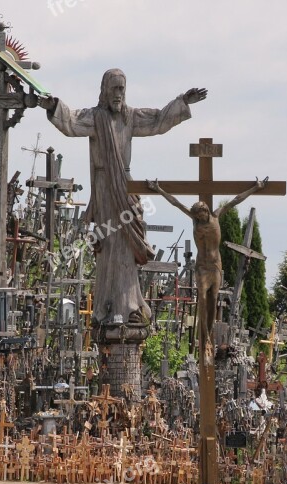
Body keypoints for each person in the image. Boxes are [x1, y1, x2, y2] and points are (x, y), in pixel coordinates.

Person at [42, 69, 207, 326]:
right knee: (110, 243)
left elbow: (158, 121)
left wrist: (182, 102)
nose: (118, 94)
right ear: (105, 90)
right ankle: (107, 303)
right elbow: (71, 122)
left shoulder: (131, 117)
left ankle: (130, 302)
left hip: (125, 185)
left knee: (127, 245)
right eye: (114, 88)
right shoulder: (96, 118)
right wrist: (53, 105)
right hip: (105, 187)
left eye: (122, 89)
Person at [146, 177, 267, 363]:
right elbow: (176, 203)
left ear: (205, 211)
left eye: (200, 216)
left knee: (213, 299)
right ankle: (204, 340)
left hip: (215, 265)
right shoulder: (195, 221)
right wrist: (158, 189)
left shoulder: (217, 215)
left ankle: (209, 334)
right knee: (201, 298)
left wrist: (255, 188)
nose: (198, 218)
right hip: (201, 266)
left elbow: (235, 200)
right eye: (196, 216)